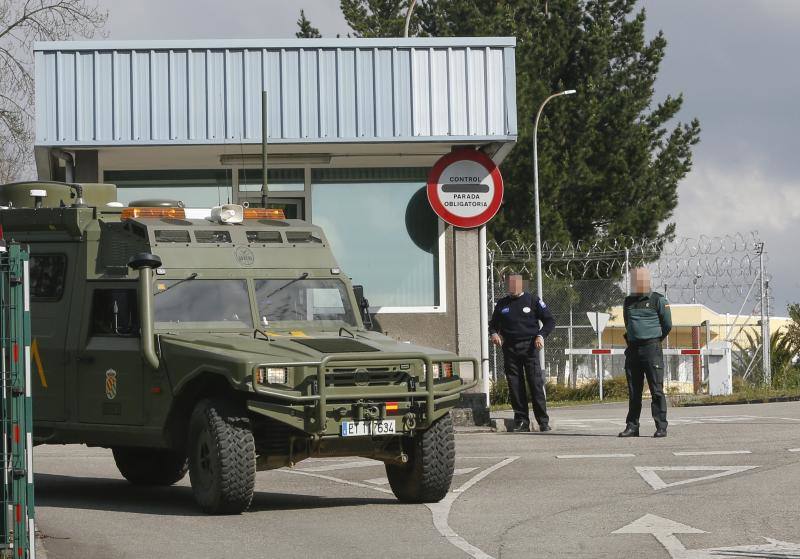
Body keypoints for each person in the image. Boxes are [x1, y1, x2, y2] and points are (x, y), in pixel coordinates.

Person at [489, 274, 556, 432]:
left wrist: (541, 335)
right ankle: (521, 421)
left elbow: (550, 320)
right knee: (515, 385)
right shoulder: (502, 304)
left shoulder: (532, 300)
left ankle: (543, 421)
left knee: (535, 384)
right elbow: (493, 325)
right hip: (510, 348)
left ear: (522, 285)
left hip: (530, 347)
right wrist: (494, 334)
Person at [619, 267, 672, 438]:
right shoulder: (628, 302)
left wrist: (654, 340)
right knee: (634, 391)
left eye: (642, 278)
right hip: (634, 350)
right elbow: (628, 323)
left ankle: (661, 426)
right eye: (635, 279)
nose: (638, 282)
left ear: (648, 280)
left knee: (656, 390)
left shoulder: (658, 300)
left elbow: (667, 325)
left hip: (652, 349)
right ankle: (632, 426)